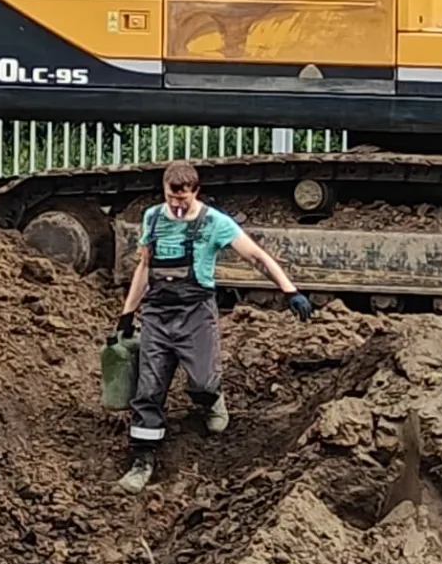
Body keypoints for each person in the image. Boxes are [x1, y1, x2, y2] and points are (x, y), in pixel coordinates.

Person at [116, 159, 314, 492]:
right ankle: (142, 461)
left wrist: (289, 289)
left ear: (195, 192)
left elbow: (256, 256)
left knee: (203, 382)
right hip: (157, 314)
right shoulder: (152, 219)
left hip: (196, 313)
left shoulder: (214, 223)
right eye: (171, 198)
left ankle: (211, 401)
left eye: (184, 200)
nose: (177, 206)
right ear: (164, 191)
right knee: (148, 389)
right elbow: (143, 269)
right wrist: (127, 314)